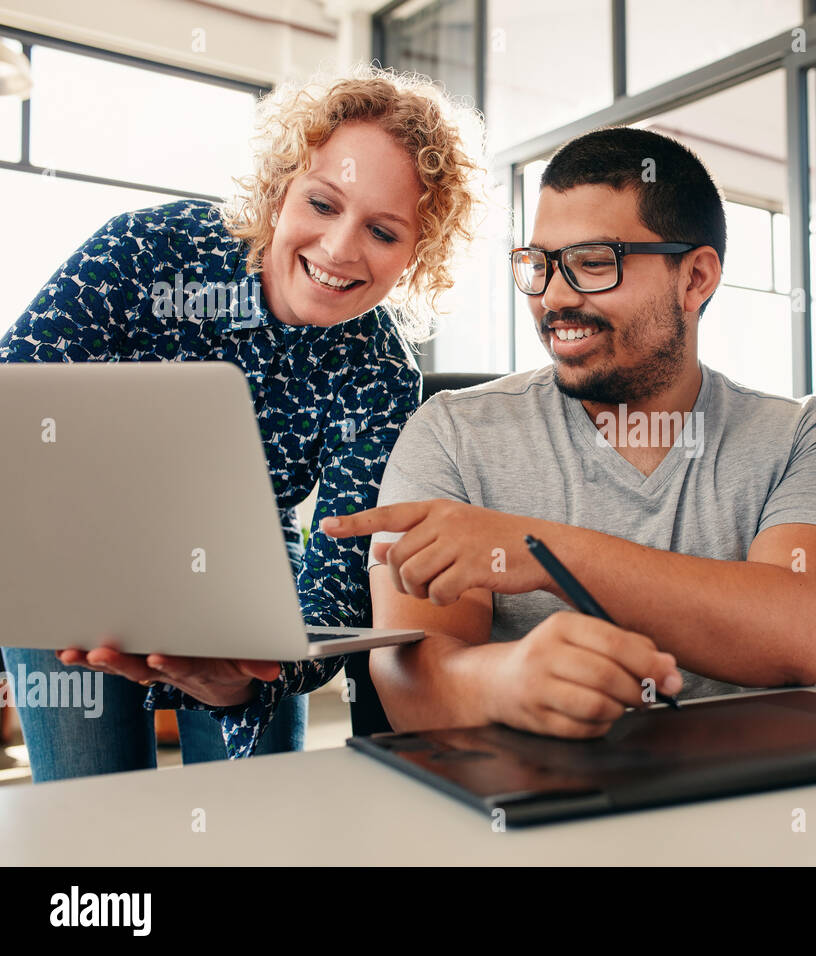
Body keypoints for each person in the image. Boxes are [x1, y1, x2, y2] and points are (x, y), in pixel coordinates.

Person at [0, 66, 483, 776]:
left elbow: (341, 578)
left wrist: (258, 672)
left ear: (417, 256)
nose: (341, 248)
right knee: (92, 802)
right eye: (323, 203)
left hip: (247, 559)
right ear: (280, 188)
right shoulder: (144, 251)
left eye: (382, 231)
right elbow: (17, 404)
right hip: (80, 541)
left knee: (251, 809)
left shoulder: (381, 373)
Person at [319, 126, 816, 738]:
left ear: (695, 279)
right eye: (540, 264)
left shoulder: (799, 439)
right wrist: (505, 682)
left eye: (593, 263)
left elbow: (799, 635)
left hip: (747, 808)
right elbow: (408, 684)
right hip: (519, 815)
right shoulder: (450, 432)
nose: (553, 296)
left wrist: (543, 552)